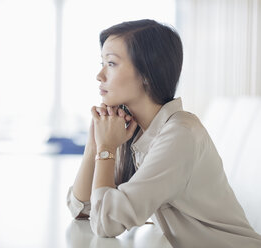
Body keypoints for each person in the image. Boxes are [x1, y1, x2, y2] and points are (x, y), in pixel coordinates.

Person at [66, 19, 261, 248]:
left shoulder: (180, 134)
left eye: (111, 64)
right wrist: (96, 143)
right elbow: (82, 209)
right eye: (102, 63)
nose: (99, 75)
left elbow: (107, 223)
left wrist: (106, 149)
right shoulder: (132, 131)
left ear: (148, 74)